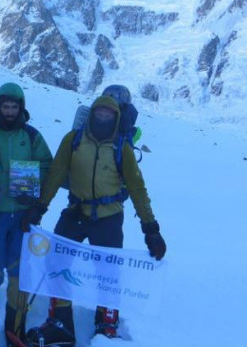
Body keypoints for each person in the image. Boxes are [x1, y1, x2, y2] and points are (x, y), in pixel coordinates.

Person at [23, 95, 167, 346]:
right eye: (99, 112)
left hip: (108, 218)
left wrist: (150, 228)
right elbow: (56, 174)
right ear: (91, 114)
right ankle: (60, 324)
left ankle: (106, 326)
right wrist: (39, 208)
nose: (102, 117)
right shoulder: (73, 140)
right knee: (56, 262)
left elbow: (137, 187)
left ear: (116, 117)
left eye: (108, 114)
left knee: (108, 274)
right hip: (76, 212)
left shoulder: (121, 147)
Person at [0, 82, 53, 347]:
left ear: (21, 108)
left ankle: (14, 333)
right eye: (5, 106)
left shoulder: (31, 136)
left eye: (14, 107)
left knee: (19, 274)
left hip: (23, 218)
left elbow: (47, 165)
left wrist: (33, 194)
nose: (9, 111)